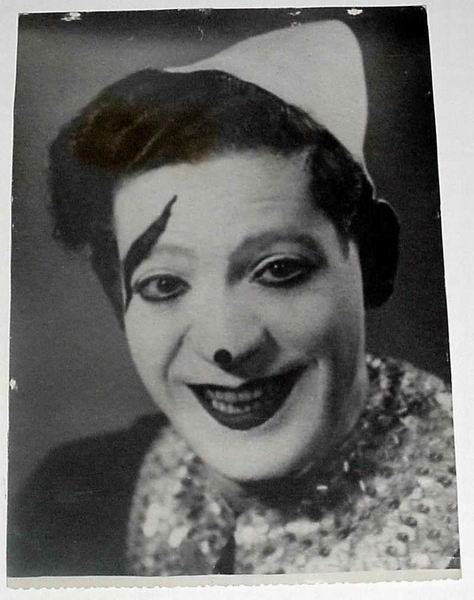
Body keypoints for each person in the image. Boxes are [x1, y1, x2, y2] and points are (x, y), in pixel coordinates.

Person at [8, 20, 459, 577]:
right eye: (164, 285)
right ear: (117, 297)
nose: (227, 344)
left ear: (374, 258)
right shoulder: (75, 498)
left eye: (278, 270)